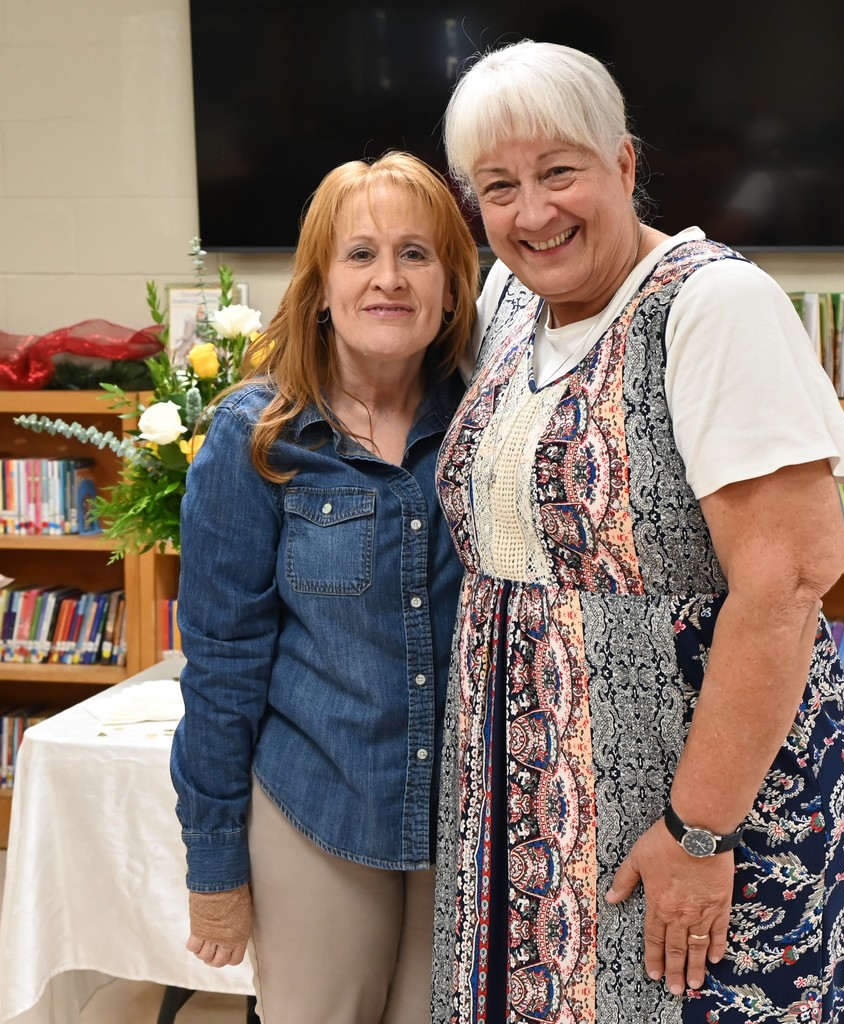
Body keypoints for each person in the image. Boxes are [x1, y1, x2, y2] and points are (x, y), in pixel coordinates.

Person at [431, 40, 844, 1023]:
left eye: (559, 172)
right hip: (522, 803)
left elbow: (788, 580)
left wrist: (698, 833)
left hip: (705, 810)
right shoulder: (509, 299)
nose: (532, 213)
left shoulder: (712, 305)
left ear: (623, 163)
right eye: (498, 187)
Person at [169, 151, 478, 1023]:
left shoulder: (487, 425)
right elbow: (222, 664)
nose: (389, 279)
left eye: (416, 254)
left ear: (451, 289)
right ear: (319, 287)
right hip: (316, 801)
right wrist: (214, 866)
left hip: (468, 815)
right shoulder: (255, 438)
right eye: (361, 254)